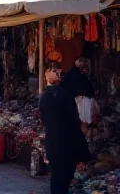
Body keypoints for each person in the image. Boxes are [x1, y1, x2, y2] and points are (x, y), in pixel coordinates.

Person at [39, 66, 90, 194]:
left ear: (47, 79)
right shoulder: (66, 96)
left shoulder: (44, 97)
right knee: (66, 175)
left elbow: (43, 119)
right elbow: (74, 119)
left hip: (53, 141)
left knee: (56, 176)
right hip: (68, 142)